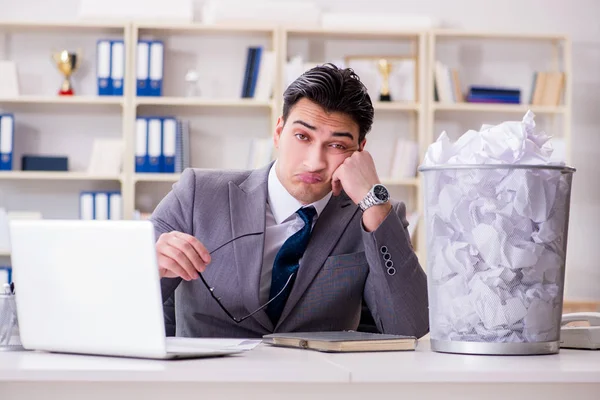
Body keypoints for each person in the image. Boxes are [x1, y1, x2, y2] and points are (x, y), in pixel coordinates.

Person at [150, 63, 429, 339]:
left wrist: (374, 202)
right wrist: (149, 266)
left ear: (360, 151)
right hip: (207, 380)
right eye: (302, 136)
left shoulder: (372, 216)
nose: (314, 162)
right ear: (278, 132)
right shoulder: (197, 194)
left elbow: (410, 327)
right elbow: (120, 306)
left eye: (337, 145)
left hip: (315, 381)